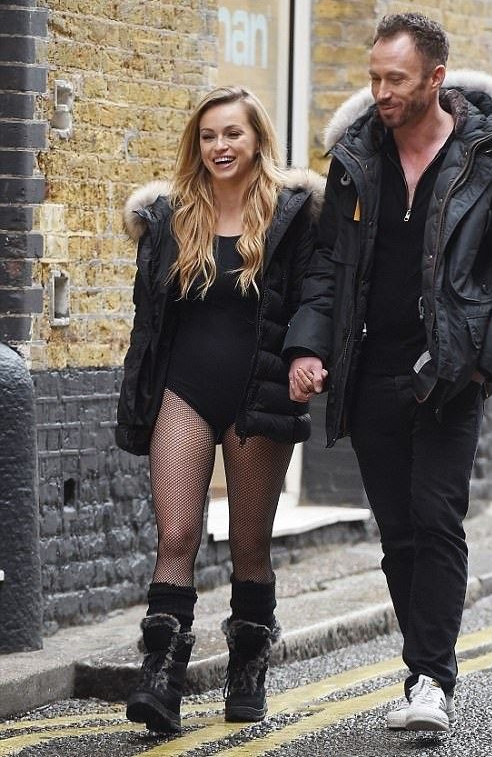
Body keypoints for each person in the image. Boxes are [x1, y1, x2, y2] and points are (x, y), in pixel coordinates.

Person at [284, 13, 492, 733]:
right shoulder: (355, 157)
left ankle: (430, 677)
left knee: (436, 519)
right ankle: (424, 667)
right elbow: (328, 265)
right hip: (370, 371)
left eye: (395, 79)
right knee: (398, 532)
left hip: (450, 373)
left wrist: (485, 360)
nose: (381, 92)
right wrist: (308, 348)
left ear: (436, 77)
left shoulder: (491, 154)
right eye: (374, 77)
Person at [116, 85, 323, 734]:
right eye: (208, 136)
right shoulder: (170, 217)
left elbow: (315, 297)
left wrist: (307, 356)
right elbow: (150, 320)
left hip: (257, 395)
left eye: (232, 133)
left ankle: (247, 670)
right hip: (183, 392)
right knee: (176, 535)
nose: (220, 146)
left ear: (257, 139)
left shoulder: (292, 215)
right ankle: (160, 678)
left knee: (249, 545)